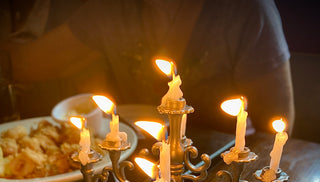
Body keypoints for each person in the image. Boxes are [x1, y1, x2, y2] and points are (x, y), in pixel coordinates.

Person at [2, 0, 295, 135]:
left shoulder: (247, 10)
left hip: (220, 174)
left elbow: (279, 126)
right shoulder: (110, 8)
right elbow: (25, 65)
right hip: (140, 170)